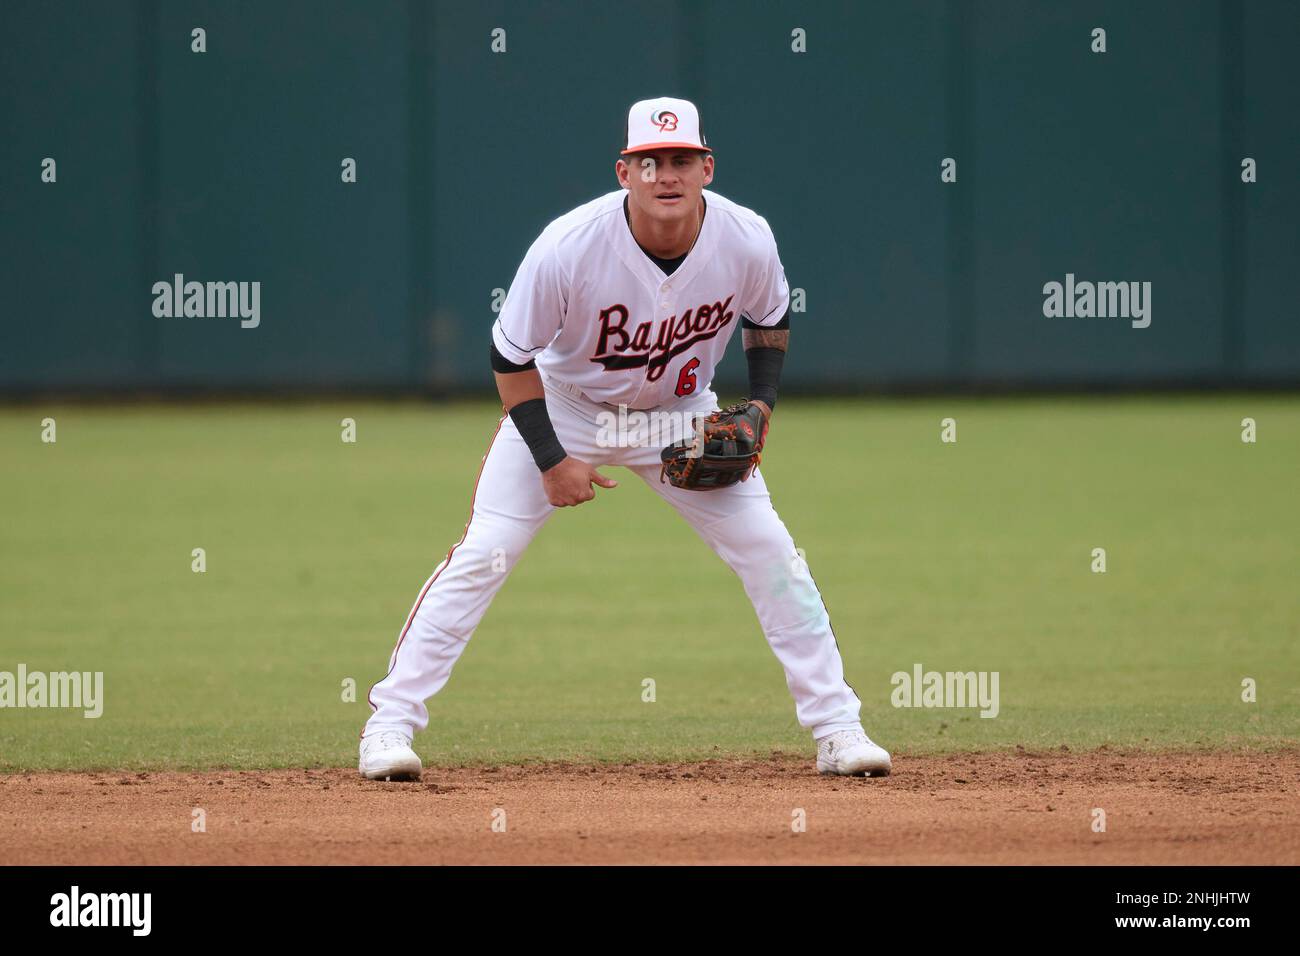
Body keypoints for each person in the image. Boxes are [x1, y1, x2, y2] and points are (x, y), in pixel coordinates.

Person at [358, 96, 890, 781]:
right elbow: (510, 359)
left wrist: (761, 404)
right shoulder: (567, 246)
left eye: (679, 160)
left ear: (706, 167)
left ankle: (839, 729)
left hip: (680, 413)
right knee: (486, 553)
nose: (664, 175)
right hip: (566, 406)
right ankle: (389, 726)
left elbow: (771, 318)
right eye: (648, 162)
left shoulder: (746, 236)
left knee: (773, 555)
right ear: (623, 171)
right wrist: (552, 459)